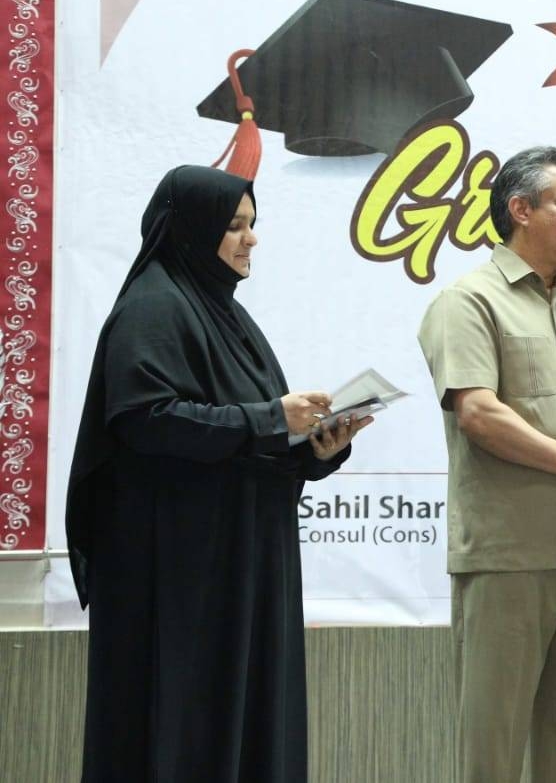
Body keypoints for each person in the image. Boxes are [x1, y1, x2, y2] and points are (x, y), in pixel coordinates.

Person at [65, 165, 371, 783]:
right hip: (179, 574)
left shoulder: (225, 316)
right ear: (190, 229)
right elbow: (145, 420)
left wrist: (315, 448)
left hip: (237, 564)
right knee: (181, 724)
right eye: (233, 226)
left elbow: (246, 438)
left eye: (252, 225)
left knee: (247, 718)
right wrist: (269, 417)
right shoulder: (153, 307)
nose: (250, 239)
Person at [418, 145, 556, 783]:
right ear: (520, 209)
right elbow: (479, 415)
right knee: (494, 744)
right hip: (510, 552)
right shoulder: (467, 301)